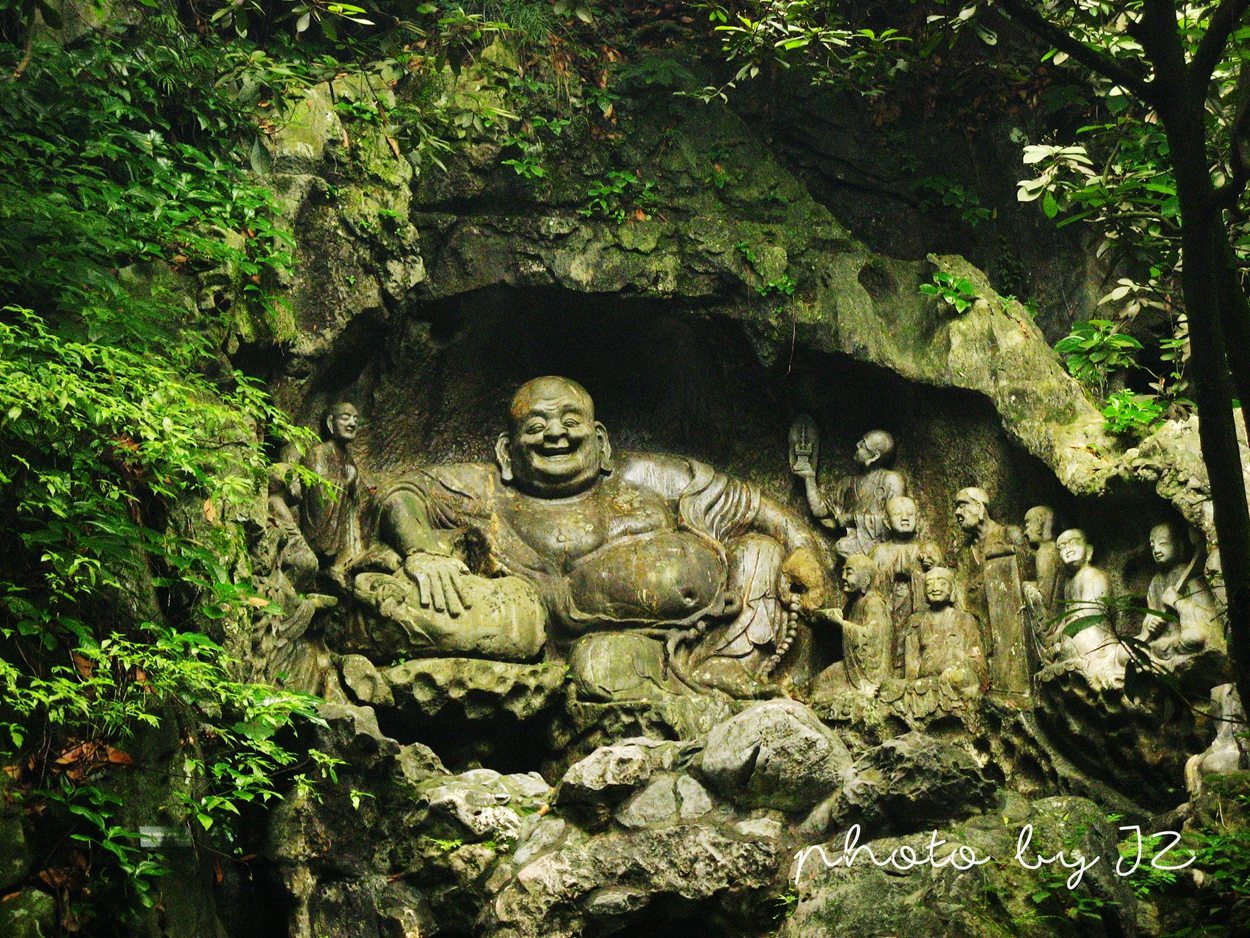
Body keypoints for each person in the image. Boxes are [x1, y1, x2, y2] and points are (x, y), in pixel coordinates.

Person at [376, 377, 827, 700]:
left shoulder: (649, 477)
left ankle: (731, 667)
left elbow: (750, 505)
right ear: (506, 450)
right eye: (535, 426)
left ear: (601, 440)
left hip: (703, 633)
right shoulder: (489, 488)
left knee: (760, 551)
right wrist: (421, 549)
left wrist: (803, 546)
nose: (555, 433)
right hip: (577, 636)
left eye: (570, 421)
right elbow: (403, 491)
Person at [794, 429, 905, 558]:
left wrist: (852, 518)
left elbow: (897, 520)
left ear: (874, 457)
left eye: (863, 444)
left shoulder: (891, 480)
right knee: (842, 547)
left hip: (881, 550)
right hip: (852, 547)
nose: (857, 444)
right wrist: (809, 479)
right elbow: (821, 511)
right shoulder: (847, 484)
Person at [1137, 521, 1223, 665]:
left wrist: (1178, 602)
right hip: (1163, 641)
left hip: (1184, 637)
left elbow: (1208, 617)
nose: (1156, 550)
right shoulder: (1155, 582)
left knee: (1194, 638)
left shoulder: (1189, 575)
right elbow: (1151, 613)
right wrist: (1150, 622)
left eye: (1163, 544)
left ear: (1179, 546)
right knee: (1125, 651)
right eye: (1153, 546)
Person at [1053, 529, 1125, 690]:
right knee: (1061, 647)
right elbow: (1066, 613)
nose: (1068, 549)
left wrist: (1067, 629)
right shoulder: (1068, 583)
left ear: (1089, 550)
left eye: (1074, 543)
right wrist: (1059, 632)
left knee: (1074, 645)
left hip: (1096, 634)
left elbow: (1092, 612)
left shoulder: (1093, 575)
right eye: (1062, 547)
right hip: (1075, 631)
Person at [298, 402, 363, 582]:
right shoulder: (318, 452)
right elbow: (318, 490)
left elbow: (356, 499)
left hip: (341, 533)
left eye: (355, 419)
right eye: (345, 417)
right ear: (330, 422)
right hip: (321, 532)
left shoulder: (348, 458)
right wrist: (345, 482)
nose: (352, 423)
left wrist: (353, 486)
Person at [811, 554, 891, 697]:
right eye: (843, 572)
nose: (843, 577)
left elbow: (872, 638)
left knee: (821, 685)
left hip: (866, 672)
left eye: (849, 572)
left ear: (865, 580)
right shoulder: (853, 603)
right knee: (818, 684)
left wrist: (841, 623)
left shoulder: (874, 603)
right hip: (852, 665)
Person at [904, 566, 986, 692]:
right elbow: (911, 666)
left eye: (942, 583)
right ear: (924, 592)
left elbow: (977, 661)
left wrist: (956, 668)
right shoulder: (917, 622)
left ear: (952, 588)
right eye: (929, 584)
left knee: (961, 679)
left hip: (956, 679)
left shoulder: (965, 620)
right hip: (927, 683)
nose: (935, 588)